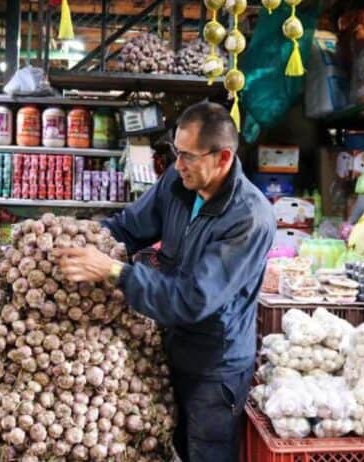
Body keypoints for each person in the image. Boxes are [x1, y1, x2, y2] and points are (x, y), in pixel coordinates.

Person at [58, 101, 276, 462]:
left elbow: (192, 299)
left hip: (215, 366)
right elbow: (128, 228)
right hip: (172, 344)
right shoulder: (178, 183)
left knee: (206, 453)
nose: (178, 165)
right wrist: (83, 239)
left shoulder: (249, 218)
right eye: (177, 151)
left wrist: (113, 271)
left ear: (222, 158)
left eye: (188, 156)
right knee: (169, 446)